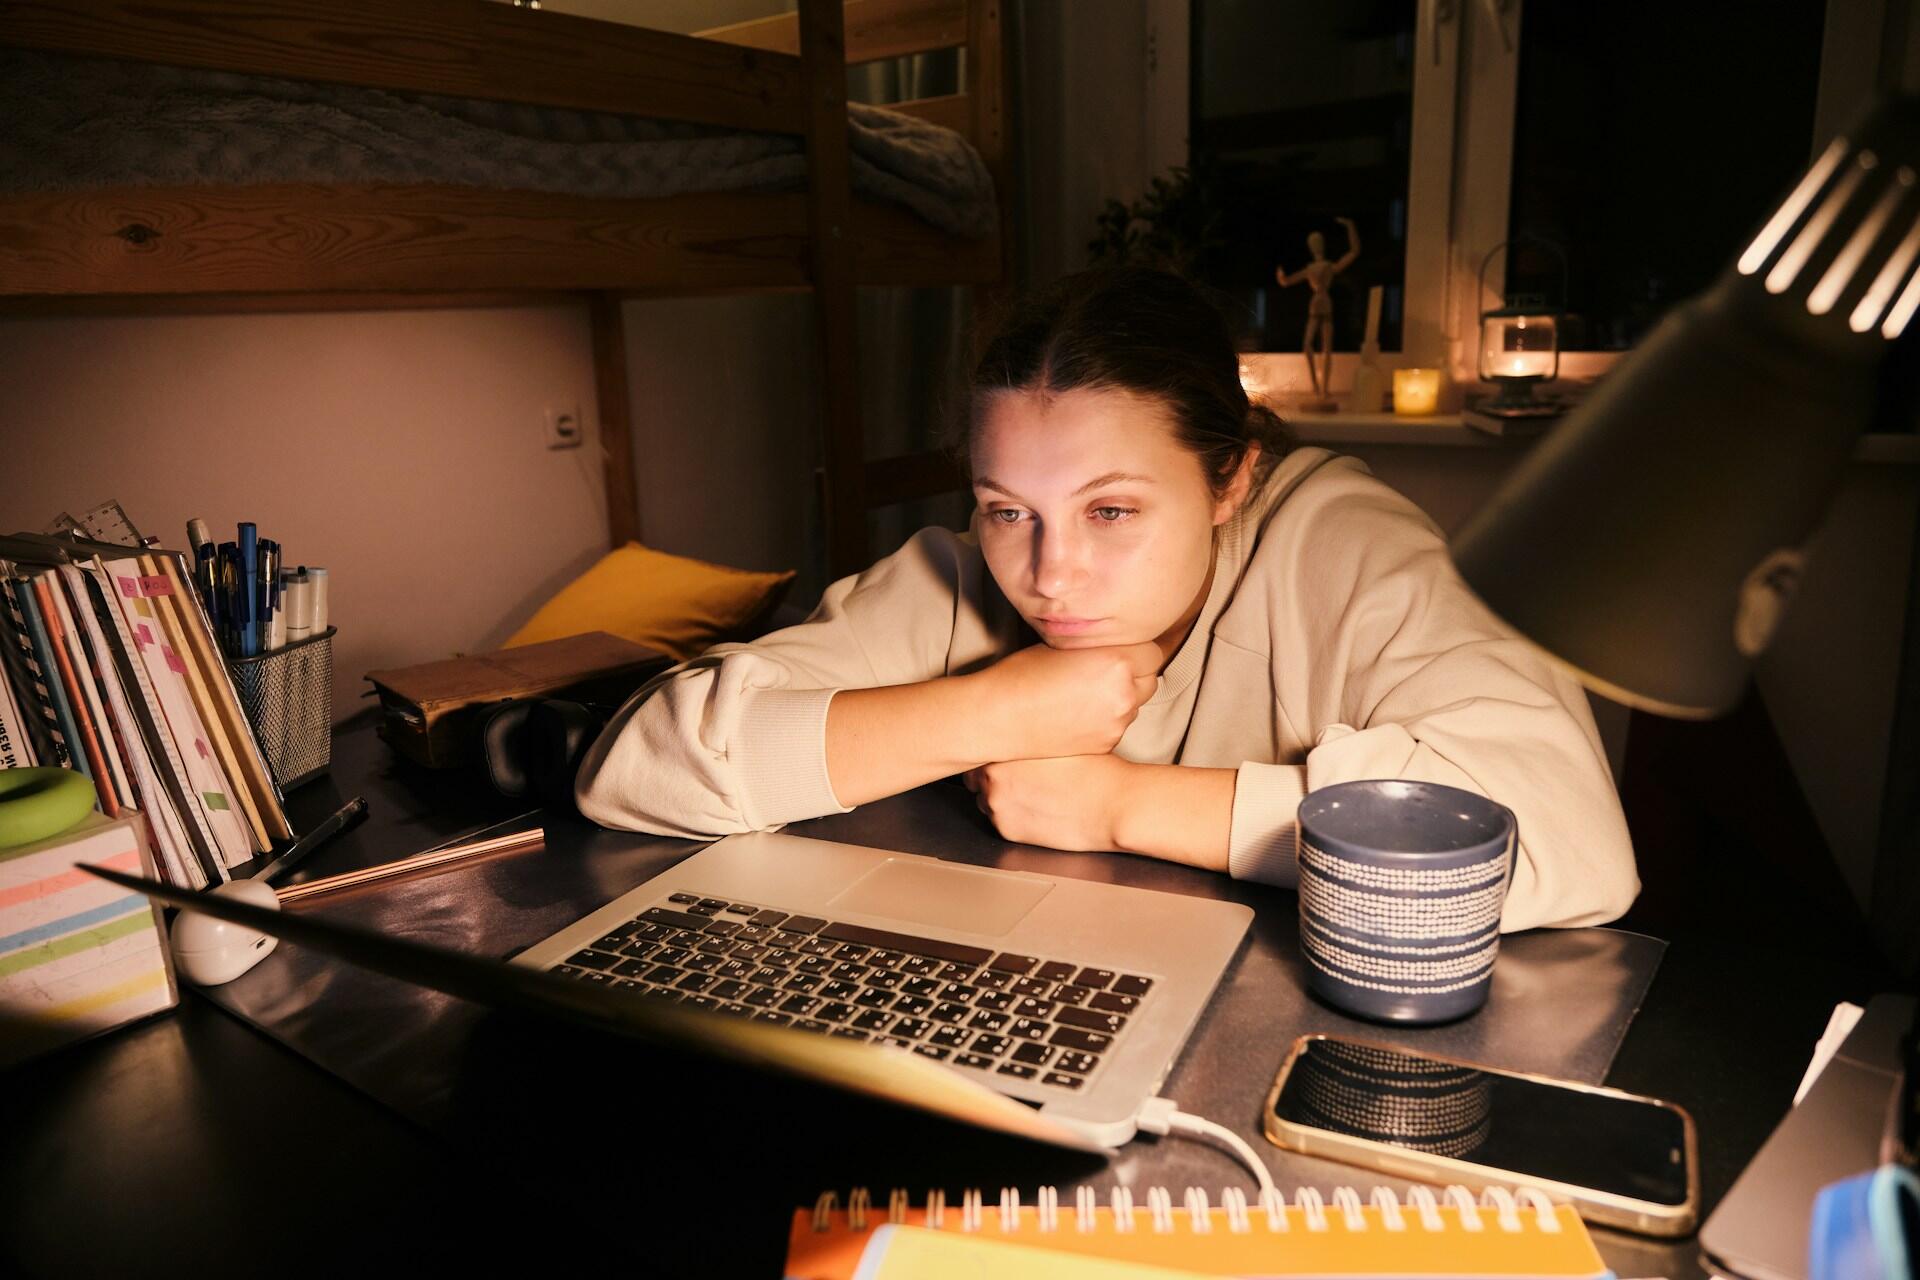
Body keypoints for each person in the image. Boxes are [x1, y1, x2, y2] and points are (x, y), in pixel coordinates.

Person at [575, 267, 1637, 932]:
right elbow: (634, 768)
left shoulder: (1345, 546)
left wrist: (1119, 803)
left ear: (1231, 478)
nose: (1050, 573)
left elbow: (1569, 842)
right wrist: (997, 708)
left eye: (1113, 510)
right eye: (1007, 508)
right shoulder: (956, 577)